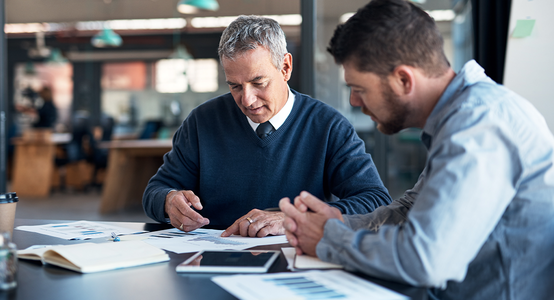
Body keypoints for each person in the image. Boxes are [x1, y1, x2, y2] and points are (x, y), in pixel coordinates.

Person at [280, 0, 554, 299]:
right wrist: (337, 222)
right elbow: (410, 210)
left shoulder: (479, 124)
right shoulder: (458, 117)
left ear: (403, 79)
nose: (354, 103)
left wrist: (329, 238)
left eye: (359, 89)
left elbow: (427, 260)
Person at [143, 15, 391, 238]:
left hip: (294, 261)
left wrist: (296, 219)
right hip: (213, 259)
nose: (247, 100)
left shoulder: (327, 126)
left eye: (258, 82)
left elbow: (375, 201)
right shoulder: (202, 121)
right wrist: (168, 201)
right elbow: (155, 190)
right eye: (235, 86)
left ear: (285, 68)